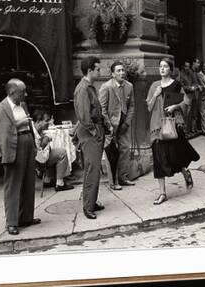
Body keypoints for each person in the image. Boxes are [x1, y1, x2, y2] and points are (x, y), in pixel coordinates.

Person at [0, 78, 41, 236]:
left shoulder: (22, 105)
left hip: (27, 142)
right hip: (12, 147)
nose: (26, 94)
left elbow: (29, 124)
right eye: (22, 92)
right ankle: (11, 222)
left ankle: (26, 217)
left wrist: (34, 143)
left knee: (28, 182)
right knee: (13, 185)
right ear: (12, 92)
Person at [146, 58, 200, 205]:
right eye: (160, 66)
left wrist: (175, 107)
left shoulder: (176, 85)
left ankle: (184, 171)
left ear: (171, 69)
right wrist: (156, 94)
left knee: (174, 155)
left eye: (165, 66)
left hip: (172, 125)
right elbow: (149, 106)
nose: (162, 69)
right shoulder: (154, 86)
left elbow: (186, 102)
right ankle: (162, 193)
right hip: (157, 126)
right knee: (158, 159)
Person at [74, 56, 109, 220]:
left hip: (94, 130)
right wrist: (95, 132)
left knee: (95, 170)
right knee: (92, 169)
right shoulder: (83, 89)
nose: (99, 71)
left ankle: (92, 202)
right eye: (97, 69)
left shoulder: (89, 87)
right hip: (90, 133)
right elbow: (84, 116)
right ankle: (88, 206)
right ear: (89, 70)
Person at [99, 60, 136, 190]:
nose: (121, 73)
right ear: (113, 74)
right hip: (110, 125)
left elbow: (132, 106)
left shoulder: (129, 86)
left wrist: (127, 122)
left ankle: (124, 177)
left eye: (123, 70)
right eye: (118, 71)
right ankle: (113, 182)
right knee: (111, 153)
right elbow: (102, 109)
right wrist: (108, 125)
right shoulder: (106, 87)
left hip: (123, 124)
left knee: (125, 149)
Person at [32, 110, 74, 192]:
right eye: (46, 120)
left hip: (39, 158)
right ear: (38, 121)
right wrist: (44, 145)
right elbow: (40, 156)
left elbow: (47, 137)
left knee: (55, 151)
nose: (49, 122)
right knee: (62, 153)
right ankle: (60, 183)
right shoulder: (33, 133)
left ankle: (49, 179)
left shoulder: (37, 129)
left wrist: (46, 138)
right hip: (37, 162)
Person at [179, 60, 200, 136]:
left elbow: (195, 82)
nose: (187, 68)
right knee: (186, 114)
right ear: (184, 67)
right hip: (186, 95)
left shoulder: (191, 73)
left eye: (188, 66)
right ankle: (185, 131)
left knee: (192, 113)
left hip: (193, 95)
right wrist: (189, 88)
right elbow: (181, 85)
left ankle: (192, 130)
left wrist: (194, 86)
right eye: (186, 66)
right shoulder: (181, 74)